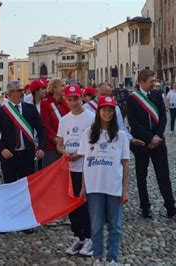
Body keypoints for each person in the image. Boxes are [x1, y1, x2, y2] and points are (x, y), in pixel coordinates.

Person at [78, 96, 130, 265]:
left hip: (114, 186)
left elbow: (125, 164)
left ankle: (112, 257)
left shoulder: (121, 136)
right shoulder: (88, 133)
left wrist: (125, 189)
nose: (107, 113)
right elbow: (85, 162)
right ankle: (98, 257)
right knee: (96, 225)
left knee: (115, 225)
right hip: (94, 186)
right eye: (104, 110)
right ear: (98, 111)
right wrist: (83, 187)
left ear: (114, 113)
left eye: (110, 110)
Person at [0, 79, 46, 233]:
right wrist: (1, 150)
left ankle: (24, 220)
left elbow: (41, 129)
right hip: (9, 155)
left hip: (27, 155)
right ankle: (8, 218)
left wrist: (41, 147)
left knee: (25, 189)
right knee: (9, 187)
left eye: (22, 90)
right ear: (10, 93)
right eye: (19, 90)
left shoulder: (30, 109)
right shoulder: (2, 111)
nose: (22, 93)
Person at [126, 69, 176, 219]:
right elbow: (134, 123)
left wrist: (157, 136)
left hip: (158, 142)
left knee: (164, 175)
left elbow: (163, 117)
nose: (154, 83)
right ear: (142, 82)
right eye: (151, 81)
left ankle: (170, 205)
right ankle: (145, 207)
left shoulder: (157, 95)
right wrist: (149, 138)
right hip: (141, 143)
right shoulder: (132, 99)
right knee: (141, 176)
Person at [56, 84, 95, 256]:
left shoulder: (91, 118)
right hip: (68, 167)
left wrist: (79, 154)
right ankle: (78, 236)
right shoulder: (64, 120)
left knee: (83, 202)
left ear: (82, 98)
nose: (73, 103)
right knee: (71, 204)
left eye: (76, 99)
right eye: (69, 99)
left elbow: (94, 143)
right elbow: (59, 143)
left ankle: (89, 237)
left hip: (84, 167)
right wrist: (64, 152)